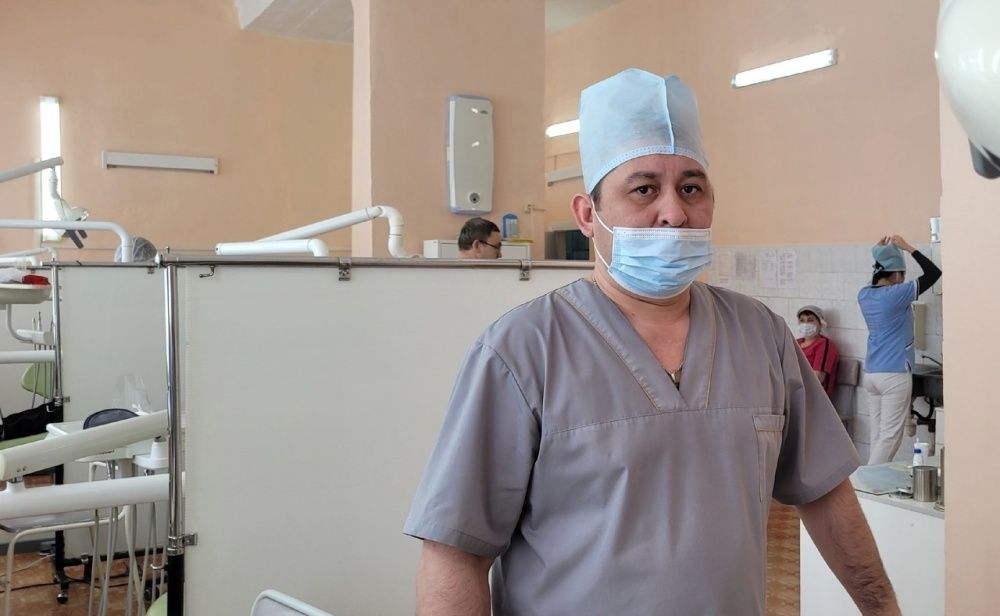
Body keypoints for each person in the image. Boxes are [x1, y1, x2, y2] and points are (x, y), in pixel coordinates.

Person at [404, 69, 898, 615]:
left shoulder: (760, 335)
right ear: (587, 215)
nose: (674, 212)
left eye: (691, 188)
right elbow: (455, 554)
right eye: (644, 189)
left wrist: (881, 607)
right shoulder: (521, 353)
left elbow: (825, 492)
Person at [858, 235, 941, 465]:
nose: (903, 279)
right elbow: (934, 273)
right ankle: (865, 481)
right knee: (889, 437)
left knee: (877, 436)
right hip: (894, 374)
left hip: (872, 374)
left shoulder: (864, 294)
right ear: (896, 274)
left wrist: (882, 252)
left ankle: (869, 482)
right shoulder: (897, 294)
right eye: (902, 274)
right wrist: (908, 248)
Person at [797, 305, 840, 398]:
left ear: (820, 324)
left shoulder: (824, 345)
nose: (805, 324)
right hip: (794, 393)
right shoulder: (795, 343)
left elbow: (818, 377)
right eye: (802, 320)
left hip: (815, 398)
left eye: (810, 320)